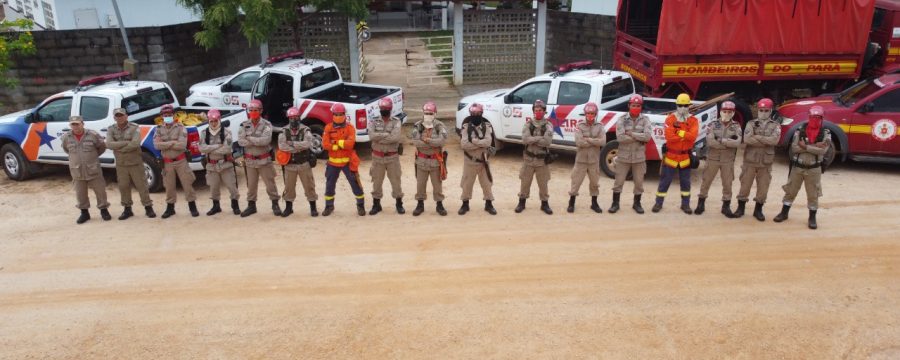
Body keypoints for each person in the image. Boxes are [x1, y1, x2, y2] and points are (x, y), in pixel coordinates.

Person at [774, 106, 832, 229]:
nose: (814, 120)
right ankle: (784, 213)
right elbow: (794, 148)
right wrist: (815, 146)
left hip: (814, 168)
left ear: (821, 118)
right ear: (808, 117)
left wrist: (806, 146)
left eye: (818, 118)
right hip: (797, 167)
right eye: (812, 117)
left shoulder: (826, 133)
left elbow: (823, 151)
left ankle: (812, 217)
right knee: (790, 191)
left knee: (813, 194)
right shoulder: (800, 130)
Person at [734, 98, 781, 221]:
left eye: (766, 110)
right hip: (750, 160)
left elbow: (775, 141)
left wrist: (757, 136)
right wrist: (765, 139)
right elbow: (747, 139)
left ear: (770, 111)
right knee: (745, 185)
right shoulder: (751, 123)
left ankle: (758, 210)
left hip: (765, 162)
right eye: (761, 110)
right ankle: (741, 208)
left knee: (763, 187)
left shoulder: (775, 125)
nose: (763, 112)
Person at [653, 93, 699, 214]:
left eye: (685, 105)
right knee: (665, 181)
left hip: (685, 157)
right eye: (680, 105)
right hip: (671, 156)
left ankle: (685, 205)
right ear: (677, 106)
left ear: (689, 106)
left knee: (686, 183)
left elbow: (693, 137)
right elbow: (669, 137)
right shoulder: (670, 119)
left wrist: (678, 132)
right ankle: (658, 203)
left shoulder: (693, 120)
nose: (683, 108)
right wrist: (685, 134)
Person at [105, 107, 155, 219]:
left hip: (135, 163)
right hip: (121, 164)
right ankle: (127, 209)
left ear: (126, 116)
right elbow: (108, 144)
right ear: (114, 118)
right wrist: (126, 143)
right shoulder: (111, 129)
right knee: (123, 187)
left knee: (142, 186)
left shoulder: (134, 127)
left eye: (121, 115)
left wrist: (120, 147)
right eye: (117, 116)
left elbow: (136, 143)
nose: (120, 117)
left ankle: (148, 207)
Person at [695, 101, 742, 217]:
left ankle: (726, 206)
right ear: (720, 111)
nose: (726, 113)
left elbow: (737, 143)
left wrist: (721, 140)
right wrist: (728, 142)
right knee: (706, 181)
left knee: (727, 183)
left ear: (733, 113)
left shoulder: (736, 126)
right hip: (713, 159)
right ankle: (701, 203)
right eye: (724, 111)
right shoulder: (712, 125)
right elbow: (710, 142)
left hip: (728, 160)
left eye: (729, 112)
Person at [62, 115, 111, 224]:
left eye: (77, 124)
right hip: (77, 170)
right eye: (73, 124)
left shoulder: (92, 135)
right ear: (70, 125)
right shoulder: (66, 137)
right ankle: (84, 213)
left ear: (82, 124)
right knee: (80, 193)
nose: (75, 126)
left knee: (100, 191)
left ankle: (104, 210)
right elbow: (66, 149)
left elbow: (101, 147)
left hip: (93, 168)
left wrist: (92, 157)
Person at [153, 103, 198, 218]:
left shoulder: (180, 127)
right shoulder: (158, 129)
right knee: (169, 186)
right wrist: (172, 142)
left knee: (187, 184)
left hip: (181, 161)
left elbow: (182, 145)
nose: (167, 116)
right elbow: (156, 145)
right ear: (162, 116)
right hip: (167, 162)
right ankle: (170, 208)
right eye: (165, 114)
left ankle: (192, 207)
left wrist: (164, 143)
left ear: (173, 115)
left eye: (169, 114)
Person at [237, 99, 281, 217]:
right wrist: (256, 140)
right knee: (251, 185)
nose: (253, 112)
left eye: (255, 110)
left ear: (261, 111)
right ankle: (251, 206)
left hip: (264, 160)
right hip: (250, 161)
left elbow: (265, 140)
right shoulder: (244, 125)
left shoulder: (267, 125)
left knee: (270, 184)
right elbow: (241, 141)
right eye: (250, 110)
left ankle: (275, 204)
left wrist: (250, 138)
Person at [322, 103, 366, 216]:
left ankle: (360, 206)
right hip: (333, 163)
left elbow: (350, 144)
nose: (338, 116)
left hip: (348, 162)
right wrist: (341, 143)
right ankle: (329, 206)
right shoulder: (328, 128)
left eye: (340, 114)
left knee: (355, 184)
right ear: (332, 114)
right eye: (336, 114)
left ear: (344, 114)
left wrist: (335, 142)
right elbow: (325, 145)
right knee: (329, 185)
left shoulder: (350, 128)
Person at [609, 94, 651, 214]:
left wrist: (632, 134)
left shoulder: (645, 120)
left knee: (639, 182)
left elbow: (647, 137)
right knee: (619, 181)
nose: (636, 107)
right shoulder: (622, 119)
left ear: (641, 107)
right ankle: (615, 204)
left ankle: (637, 204)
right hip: (623, 157)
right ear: (629, 105)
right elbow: (620, 138)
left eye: (638, 105)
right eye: (633, 105)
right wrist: (639, 136)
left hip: (639, 158)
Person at [277, 106, 319, 217]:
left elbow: (308, 144)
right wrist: (299, 147)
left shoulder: (305, 130)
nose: (293, 120)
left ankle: (313, 208)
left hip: (303, 163)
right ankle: (288, 208)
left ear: (299, 117)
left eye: (295, 117)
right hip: (290, 164)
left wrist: (292, 144)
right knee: (289, 187)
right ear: (288, 118)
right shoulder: (284, 130)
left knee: (309, 186)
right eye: (291, 118)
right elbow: (282, 147)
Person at [515, 99, 554, 215]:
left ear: (544, 111)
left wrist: (533, 140)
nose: (538, 112)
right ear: (533, 111)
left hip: (542, 161)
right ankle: (522, 202)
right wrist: (539, 139)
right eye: (536, 110)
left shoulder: (548, 125)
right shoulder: (528, 124)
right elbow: (525, 140)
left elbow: (547, 142)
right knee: (525, 182)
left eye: (540, 110)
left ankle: (545, 203)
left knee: (543, 183)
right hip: (528, 160)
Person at [410, 101, 449, 216]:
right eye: (426, 113)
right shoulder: (417, 125)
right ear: (423, 113)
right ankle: (420, 204)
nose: (428, 115)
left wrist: (428, 140)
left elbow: (442, 141)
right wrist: (433, 143)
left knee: (437, 185)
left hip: (435, 161)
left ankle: (439, 205)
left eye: (431, 113)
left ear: (435, 114)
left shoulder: (440, 126)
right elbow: (415, 142)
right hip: (421, 161)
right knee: (420, 184)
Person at [199, 109, 241, 216]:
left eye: (215, 121)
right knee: (213, 187)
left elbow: (227, 149)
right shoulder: (204, 133)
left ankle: (235, 205)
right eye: (211, 121)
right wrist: (218, 146)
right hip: (211, 165)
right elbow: (201, 148)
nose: (213, 123)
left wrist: (210, 149)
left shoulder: (227, 132)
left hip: (225, 164)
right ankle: (216, 206)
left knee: (232, 187)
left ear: (219, 120)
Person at [367, 97, 405, 215]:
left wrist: (380, 137)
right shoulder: (373, 121)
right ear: (379, 109)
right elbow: (371, 136)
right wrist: (386, 135)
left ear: (390, 109)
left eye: (386, 108)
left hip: (392, 158)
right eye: (382, 108)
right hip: (377, 158)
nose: (384, 110)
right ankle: (376, 205)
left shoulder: (396, 121)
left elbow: (395, 138)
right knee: (376, 182)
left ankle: (399, 204)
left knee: (396, 181)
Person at [459, 103, 497, 215]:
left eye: (478, 113)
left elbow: (488, 142)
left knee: (487, 183)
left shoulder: (487, 127)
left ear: (482, 113)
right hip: (469, 161)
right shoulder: (466, 127)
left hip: (483, 161)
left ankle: (489, 204)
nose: (475, 115)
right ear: (470, 114)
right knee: (466, 183)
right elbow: (464, 145)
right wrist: (481, 144)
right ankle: (465, 204)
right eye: (473, 113)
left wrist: (474, 141)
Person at [568, 101, 605, 213]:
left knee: (594, 183)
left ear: (595, 114)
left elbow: (603, 142)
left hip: (594, 160)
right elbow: (579, 142)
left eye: (592, 114)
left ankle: (594, 203)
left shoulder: (600, 126)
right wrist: (594, 141)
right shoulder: (580, 126)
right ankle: (571, 202)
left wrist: (587, 139)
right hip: (581, 160)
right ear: (585, 114)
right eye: (588, 114)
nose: (590, 116)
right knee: (576, 182)